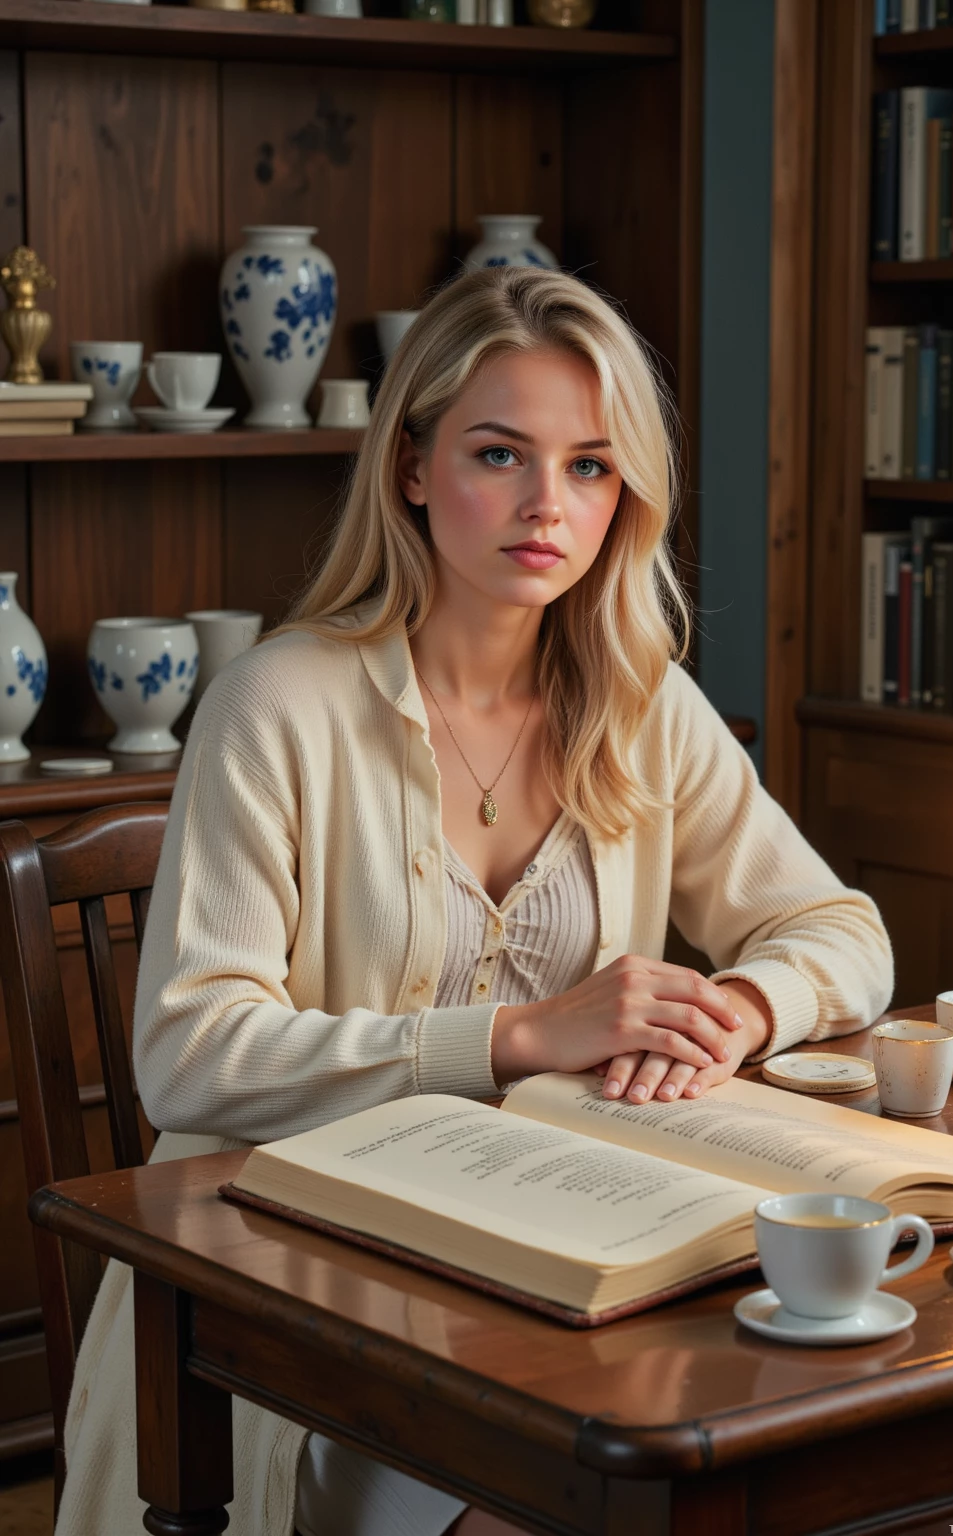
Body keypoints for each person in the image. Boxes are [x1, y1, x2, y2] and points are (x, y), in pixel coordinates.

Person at [54, 265, 893, 1536]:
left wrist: (739, 1004)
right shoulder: (274, 708)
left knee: (769, 1456)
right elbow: (186, 1059)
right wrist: (513, 1036)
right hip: (284, 1296)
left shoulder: (638, 703)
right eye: (500, 454)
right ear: (409, 465)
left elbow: (842, 933)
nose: (548, 506)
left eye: (592, 467)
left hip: (556, 1268)